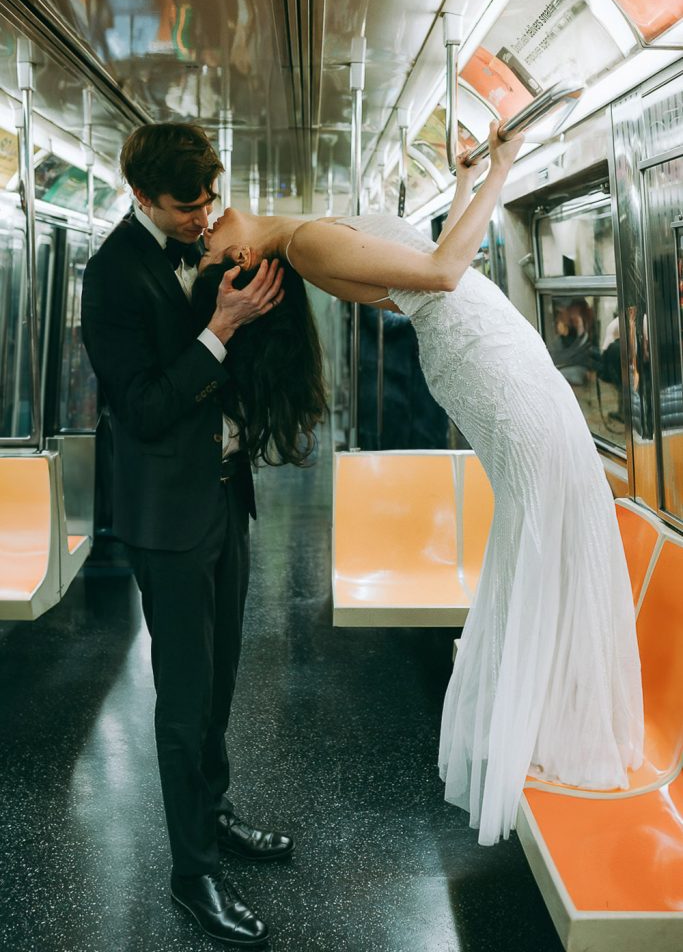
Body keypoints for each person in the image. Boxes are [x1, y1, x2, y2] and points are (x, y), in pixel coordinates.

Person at [198, 121, 644, 846]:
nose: (208, 226)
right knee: (548, 523)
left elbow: (417, 269)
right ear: (241, 257)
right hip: (492, 364)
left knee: (552, 520)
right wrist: (502, 170)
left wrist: (463, 178)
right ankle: (548, 723)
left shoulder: (312, 241)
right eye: (204, 250)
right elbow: (440, 273)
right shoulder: (307, 244)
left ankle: (547, 716)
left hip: (487, 354)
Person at [81, 123, 326, 948]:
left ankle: (211, 817)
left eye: (210, 198)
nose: (204, 215)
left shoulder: (203, 247)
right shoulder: (110, 274)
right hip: (167, 518)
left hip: (225, 496)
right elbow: (144, 406)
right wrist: (218, 328)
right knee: (183, 700)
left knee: (220, 681)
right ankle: (192, 876)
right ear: (143, 196)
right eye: (188, 205)